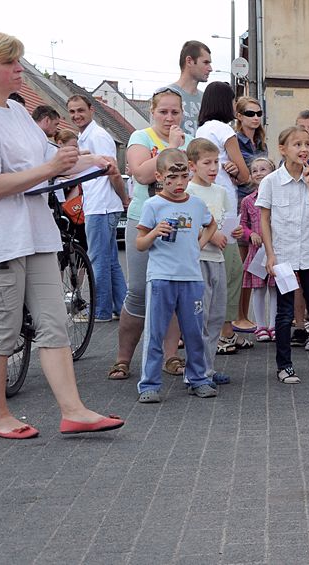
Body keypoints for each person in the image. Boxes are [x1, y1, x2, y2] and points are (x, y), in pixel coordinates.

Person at [0, 31, 123, 438]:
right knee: (3, 331)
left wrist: (90, 160)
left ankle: (74, 410)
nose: (19, 69)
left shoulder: (16, 112)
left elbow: (52, 161)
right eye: (10, 62)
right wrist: (54, 168)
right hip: (4, 239)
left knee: (54, 323)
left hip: (38, 235)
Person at [110, 87, 193, 381]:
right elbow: (141, 174)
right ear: (152, 112)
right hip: (144, 220)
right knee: (139, 292)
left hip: (179, 223)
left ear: (182, 113)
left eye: (175, 112)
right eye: (163, 112)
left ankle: (171, 356)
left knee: (171, 290)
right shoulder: (141, 137)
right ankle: (123, 359)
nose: (170, 117)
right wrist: (171, 147)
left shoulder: (188, 141)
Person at [135, 148, 218, 402]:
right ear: (159, 177)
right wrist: (153, 233)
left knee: (193, 331)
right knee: (155, 331)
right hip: (161, 277)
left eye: (184, 176)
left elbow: (211, 223)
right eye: (173, 177)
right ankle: (149, 384)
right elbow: (139, 243)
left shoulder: (195, 203)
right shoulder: (153, 205)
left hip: (191, 277)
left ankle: (198, 378)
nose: (179, 183)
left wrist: (200, 244)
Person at [257, 126, 309, 383]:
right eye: (296, 144)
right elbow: (264, 219)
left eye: (306, 144)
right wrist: (270, 254)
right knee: (285, 312)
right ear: (283, 149)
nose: (303, 149)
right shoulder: (270, 182)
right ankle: (284, 365)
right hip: (284, 257)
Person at [196, 81, 251, 354]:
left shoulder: (201, 130)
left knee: (213, 270)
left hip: (207, 201)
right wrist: (234, 170)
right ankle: (225, 331)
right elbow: (244, 174)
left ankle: (219, 330)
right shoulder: (224, 129)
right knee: (231, 270)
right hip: (226, 203)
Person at [67, 94, 129, 322]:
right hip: (100, 205)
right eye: (72, 112)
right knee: (110, 259)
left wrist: (123, 198)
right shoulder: (84, 137)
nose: (76, 115)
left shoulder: (98, 136)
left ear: (91, 110)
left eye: (80, 110)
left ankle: (101, 311)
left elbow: (112, 171)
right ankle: (122, 308)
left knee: (98, 260)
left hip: (102, 207)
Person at [184, 138, 234, 386]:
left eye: (216, 162)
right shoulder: (188, 192)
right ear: (192, 165)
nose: (214, 168)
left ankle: (208, 368)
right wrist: (210, 234)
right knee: (199, 317)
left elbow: (225, 221)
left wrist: (233, 232)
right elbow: (188, 226)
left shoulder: (221, 192)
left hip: (218, 258)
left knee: (216, 315)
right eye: (207, 163)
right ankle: (195, 371)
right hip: (198, 259)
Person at [233, 96, 267, 332]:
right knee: (244, 266)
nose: (255, 118)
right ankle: (239, 316)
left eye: (258, 113)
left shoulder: (261, 144)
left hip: (261, 203)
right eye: (250, 113)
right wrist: (236, 172)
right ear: (239, 116)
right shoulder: (234, 141)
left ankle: (254, 319)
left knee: (258, 266)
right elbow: (237, 174)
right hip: (242, 203)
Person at [240, 157, 277, 343]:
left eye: (263, 169)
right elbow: (242, 225)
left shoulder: (278, 196)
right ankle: (260, 325)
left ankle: (273, 325)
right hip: (256, 251)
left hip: (275, 249)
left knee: (274, 288)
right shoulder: (247, 201)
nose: (259, 173)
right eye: (255, 170)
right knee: (258, 289)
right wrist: (249, 234)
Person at [169, 40, 212, 136]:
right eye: (205, 62)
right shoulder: (166, 95)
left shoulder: (206, 99)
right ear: (189, 61)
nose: (210, 68)